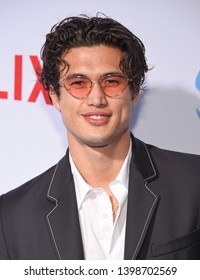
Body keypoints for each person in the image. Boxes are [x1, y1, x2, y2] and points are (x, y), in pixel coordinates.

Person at [0, 15, 200, 260]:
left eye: (112, 82)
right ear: (54, 96)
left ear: (134, 93)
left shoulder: (194, 183)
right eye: (78, 83)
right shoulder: (11, 218)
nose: (96, 98)